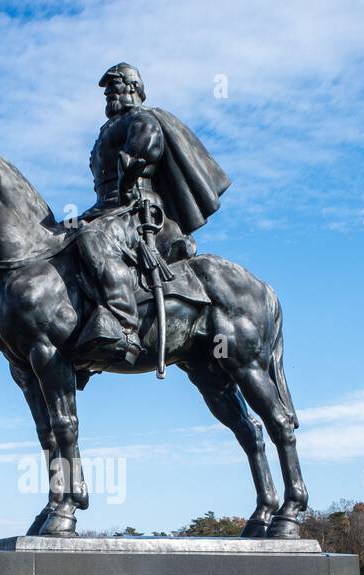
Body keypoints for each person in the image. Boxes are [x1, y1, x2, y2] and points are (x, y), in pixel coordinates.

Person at [75, 62, 231, 362]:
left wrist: (130, 166)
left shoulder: (142, 118)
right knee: (64, 239)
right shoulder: (107, 129)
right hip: (106, 209)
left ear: (133, 88)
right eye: (107, 91)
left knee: (93, 239)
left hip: (138, 209)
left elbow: (146, 150)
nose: (109, 94)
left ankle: (124, 326)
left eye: (115, 88)